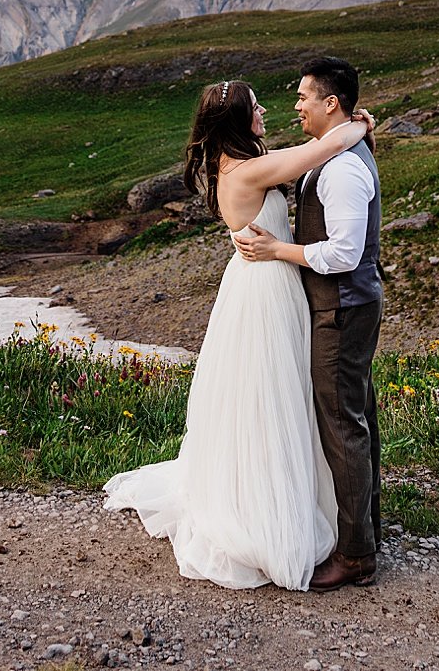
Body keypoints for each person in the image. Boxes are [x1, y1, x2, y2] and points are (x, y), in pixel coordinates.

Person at [102, 78, 373, 591]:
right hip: (266, 290)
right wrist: (359, 123)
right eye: (256, 106)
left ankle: (294, 500)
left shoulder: (237, 165)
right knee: (272, 399)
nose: (266, 110)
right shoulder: (248, 172)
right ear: (239, 121)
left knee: (271, 399)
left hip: (263, 284)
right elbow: (325, 146)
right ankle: (271, 514)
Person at [232, 55, 383, 593]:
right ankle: (365, 531)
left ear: (330, 103)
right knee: (355, 415)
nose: (295, 105)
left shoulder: (341, 168)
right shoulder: (335, 151)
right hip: (344, 305)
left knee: (342, 424)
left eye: (302, 97)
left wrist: (278, 249)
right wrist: (360, 126)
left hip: (341, 306)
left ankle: (356, 555)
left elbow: (343, 253)